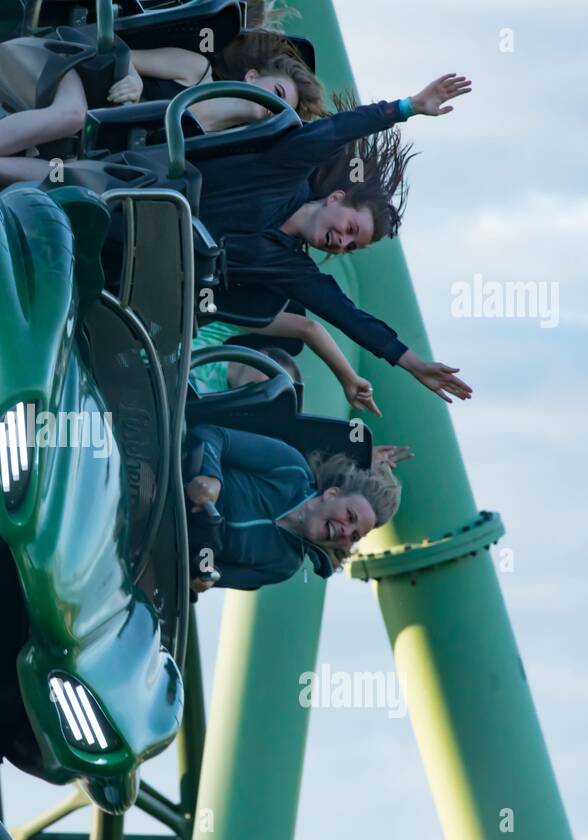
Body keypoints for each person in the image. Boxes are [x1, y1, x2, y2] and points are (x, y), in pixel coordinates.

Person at [190, 74, 475, 404]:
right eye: (350, 230)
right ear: (336, 198)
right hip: (147, 191)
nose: (341, 243)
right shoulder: (288, 168)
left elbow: (348, 315)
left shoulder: (291, 268)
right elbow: (340, 129)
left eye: (350, 246)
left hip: (147, 265)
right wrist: (406, 107)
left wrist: (414, 364)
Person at [0, 29, 326, 185]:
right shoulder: (195, 69)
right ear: (252, 77)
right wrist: (135, 79)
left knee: (77, 174)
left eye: (282, 112)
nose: (273, 106)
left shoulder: (213, 144)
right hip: (79, 74)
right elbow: (124, 56)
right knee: (73, 116)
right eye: (276, 93)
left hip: (96, 143)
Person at [184, 423, 410, 592]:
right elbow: (211, 435)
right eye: (350, 517)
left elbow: (210, 573)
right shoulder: (290, 468)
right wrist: (212, 477)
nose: (346, 532)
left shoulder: (283, 566)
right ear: (331, 494)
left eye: (355, 536)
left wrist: (203, 577)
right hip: (165, 484)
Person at [190, 310, 380, 416]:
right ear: (260, 356)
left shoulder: (219, 411)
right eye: (272, 377)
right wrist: (349, 379)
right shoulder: (214, 332)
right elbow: (308, 329)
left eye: (277, 390)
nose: (269, 388)